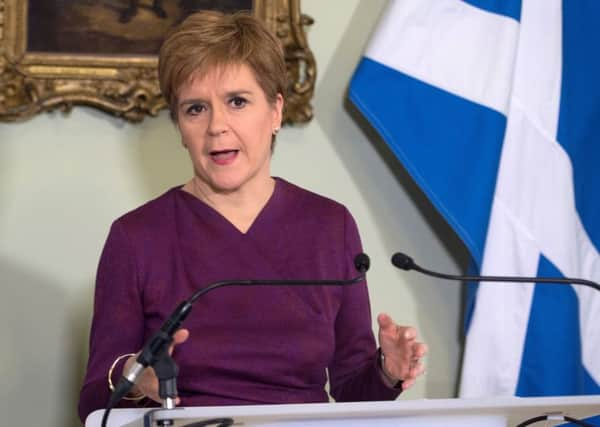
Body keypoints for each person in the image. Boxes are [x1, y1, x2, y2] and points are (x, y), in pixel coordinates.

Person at [78, 10, 427, 423]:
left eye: (237, 102)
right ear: (179, 126)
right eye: (195, 109)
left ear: (276, 111)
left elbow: (352, 389)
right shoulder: (135, 237)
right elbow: (93, 405)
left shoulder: (330, 225)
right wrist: (137, 378)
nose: (216, 126)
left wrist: (387, 372)